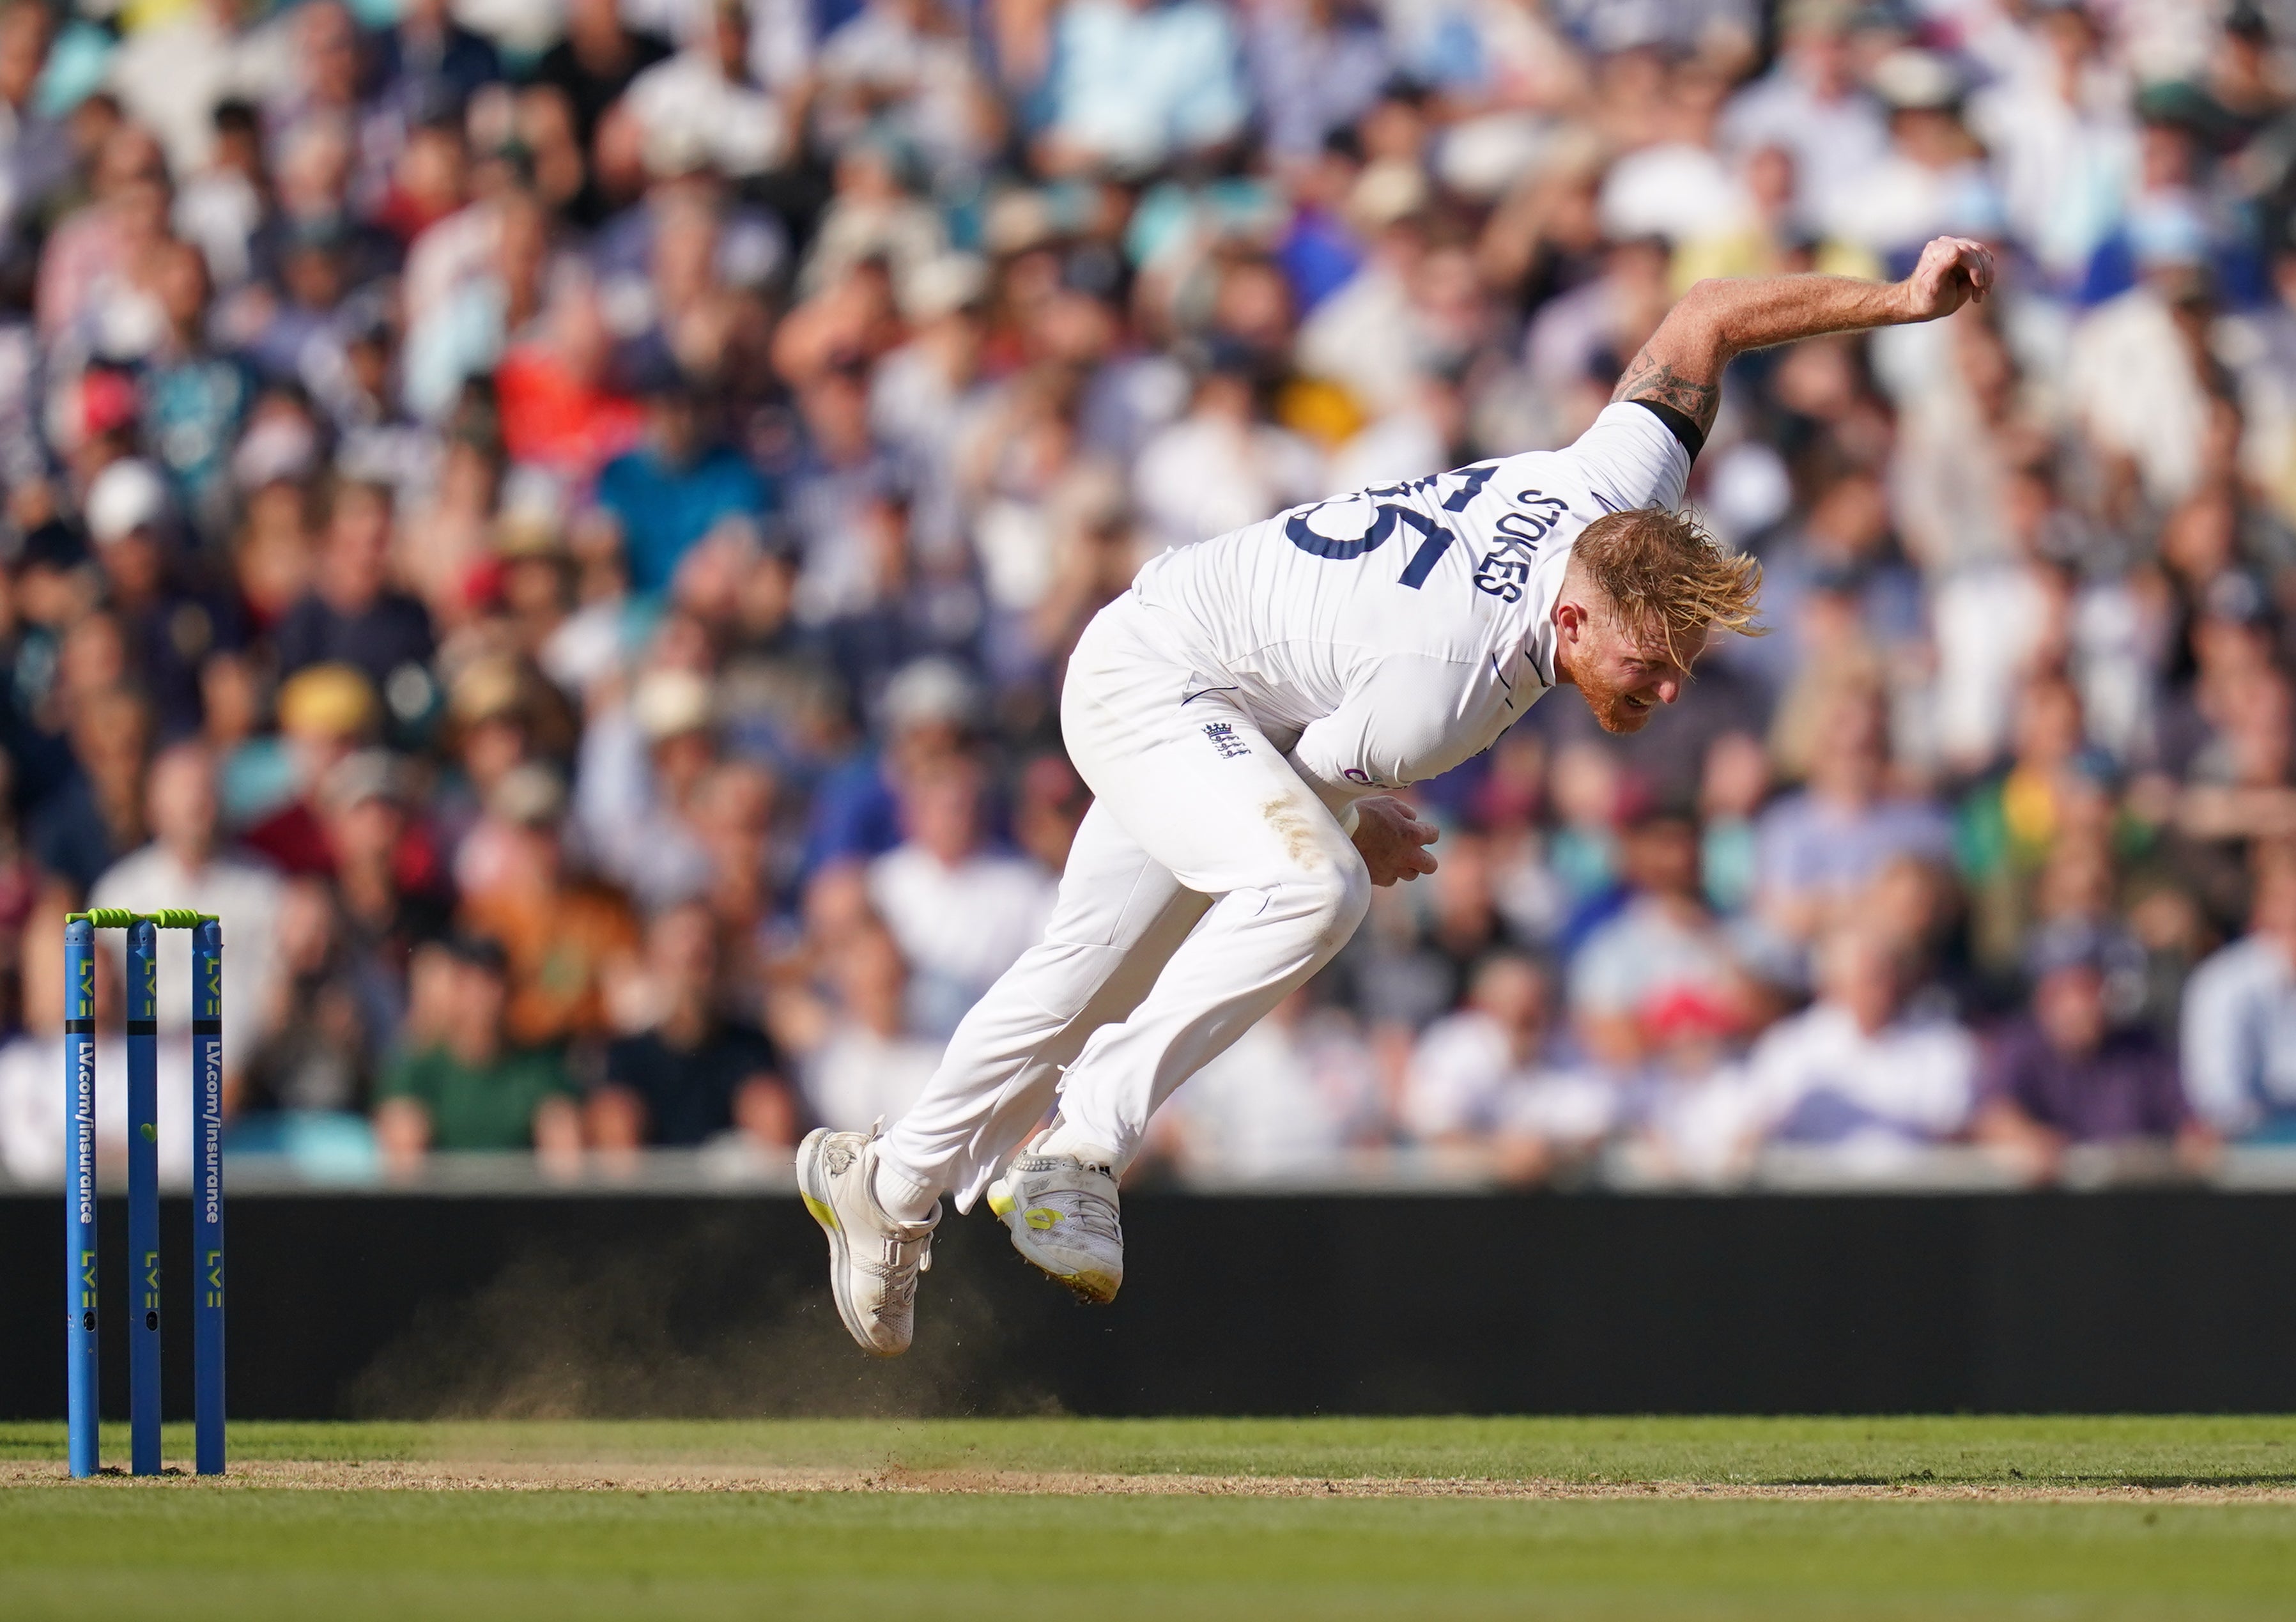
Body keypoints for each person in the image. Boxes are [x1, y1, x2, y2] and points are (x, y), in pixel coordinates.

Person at [797, 235, 1999, 1356]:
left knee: (1083, 974)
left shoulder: (1614, 487)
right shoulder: (1452, 685)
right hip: (1154, 677)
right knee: (1317, 890)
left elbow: (1708, 315)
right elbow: (1319, 787)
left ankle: (890, 1183)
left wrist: (1898, 303)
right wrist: (1361, 823)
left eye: (1682, 656)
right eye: (1651, 658)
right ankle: (1079, 1145)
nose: (1671, 685)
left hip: (1224, 675)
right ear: (1571, 617)